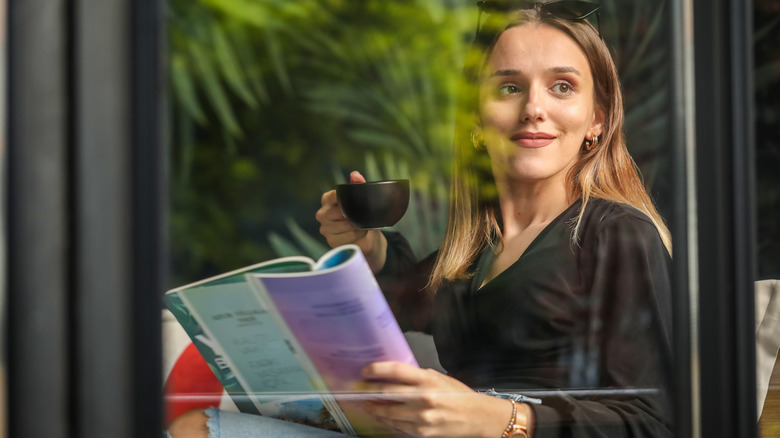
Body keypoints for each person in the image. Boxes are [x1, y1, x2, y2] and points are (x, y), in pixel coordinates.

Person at [169, 1, 673, 436]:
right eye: (508, 88)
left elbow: (655, 422)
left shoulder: (617, 233)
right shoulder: (480, 248)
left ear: (598, 119)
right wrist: (364, 244)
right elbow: (411, 297)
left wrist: (498, 419)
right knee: (193, 428)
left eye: (562, 87)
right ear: (476, 122)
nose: (534, 109)